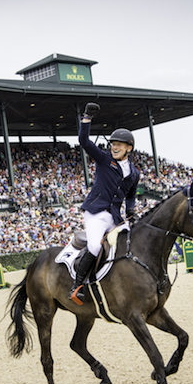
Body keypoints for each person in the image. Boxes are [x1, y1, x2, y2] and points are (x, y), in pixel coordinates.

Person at [70, 102, 140, 304]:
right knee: (93, 246)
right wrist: (87, 118)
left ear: (129, 148)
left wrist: (131, 209)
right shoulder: (104, 158)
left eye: (119, 144)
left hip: (115, 217)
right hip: (96, 213)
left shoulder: (134, 173)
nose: (115, 147)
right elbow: (84, 141)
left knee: (133, 242)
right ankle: (77, 285)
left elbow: (131, 195)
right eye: (113, 144)